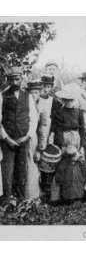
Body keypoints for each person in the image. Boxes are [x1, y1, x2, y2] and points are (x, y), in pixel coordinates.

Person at [1, 66, 38, 200]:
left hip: (23, 139)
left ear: (21, 79)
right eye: (11, 80)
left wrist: (27, 136)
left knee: (22, 170)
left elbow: (34, 118)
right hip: (7, 141)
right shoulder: (2, 96)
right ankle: (8, 199)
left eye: (17, 79)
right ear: (7, 80)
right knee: (8, 170)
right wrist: (6, 138)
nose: (15, 82)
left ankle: (21, 198)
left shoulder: (27, 96)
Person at [52, 88, 86, 203]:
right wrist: (62, 146)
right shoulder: (59, 112)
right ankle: (65, 197)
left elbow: (82, 129)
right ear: (63, 100)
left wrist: (81, 146)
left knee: (78, 164)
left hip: (77, 138)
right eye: (66, 100)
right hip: (65, 139)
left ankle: (79, 194)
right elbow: (58, 130)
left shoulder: (79, 112)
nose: (69, 102)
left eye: (71, 100)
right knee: (65, 165)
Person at [24, 80, 44, 200]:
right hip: (26, 135)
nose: (34, 95)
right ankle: (28, 193)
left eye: (36, 92)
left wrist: (42, 143)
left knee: (34, 162)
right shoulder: (25, 105)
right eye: (32, 92)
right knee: (27, 163)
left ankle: (34, 193)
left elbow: (43, 127)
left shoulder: (40, 107)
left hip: (35, 137)